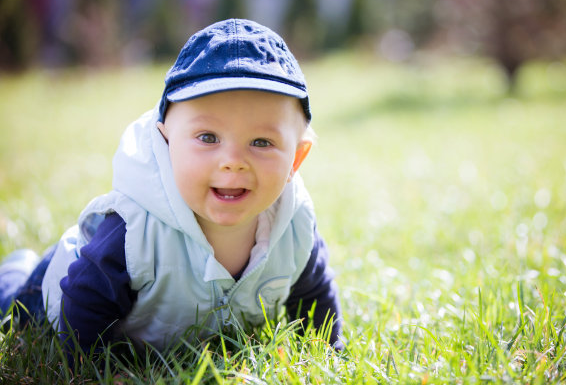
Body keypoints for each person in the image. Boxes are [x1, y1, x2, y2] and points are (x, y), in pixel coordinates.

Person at [0, 18, 342, 357]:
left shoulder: (294, 227)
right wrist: (89, 367)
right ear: (167, 144)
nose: (233, 160)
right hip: (54, 294)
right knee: (13, 308)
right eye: (208, 137)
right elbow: (84, 301)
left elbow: (314, 293)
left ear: (296, 159)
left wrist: (331, 350)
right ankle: (17, 271)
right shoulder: (135, 229)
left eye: (262, 141)